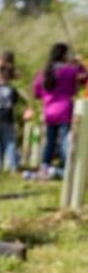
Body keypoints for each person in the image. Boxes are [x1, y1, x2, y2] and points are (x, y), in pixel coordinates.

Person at [31, 43, 87, 179]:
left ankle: (45, 166)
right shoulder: (69, 70)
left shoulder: (43, 72)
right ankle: (66, 166)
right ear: (63, 55)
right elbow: (85, 78)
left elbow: (36, 92)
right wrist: (79, 64)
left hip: (49, 111)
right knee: (65, 140)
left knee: (49, 141)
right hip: (65, 110)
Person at [0, 57, 23, 173]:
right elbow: (15, 103)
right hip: (8, 119)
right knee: (10, 143)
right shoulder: (12, 89)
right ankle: (12, 167)